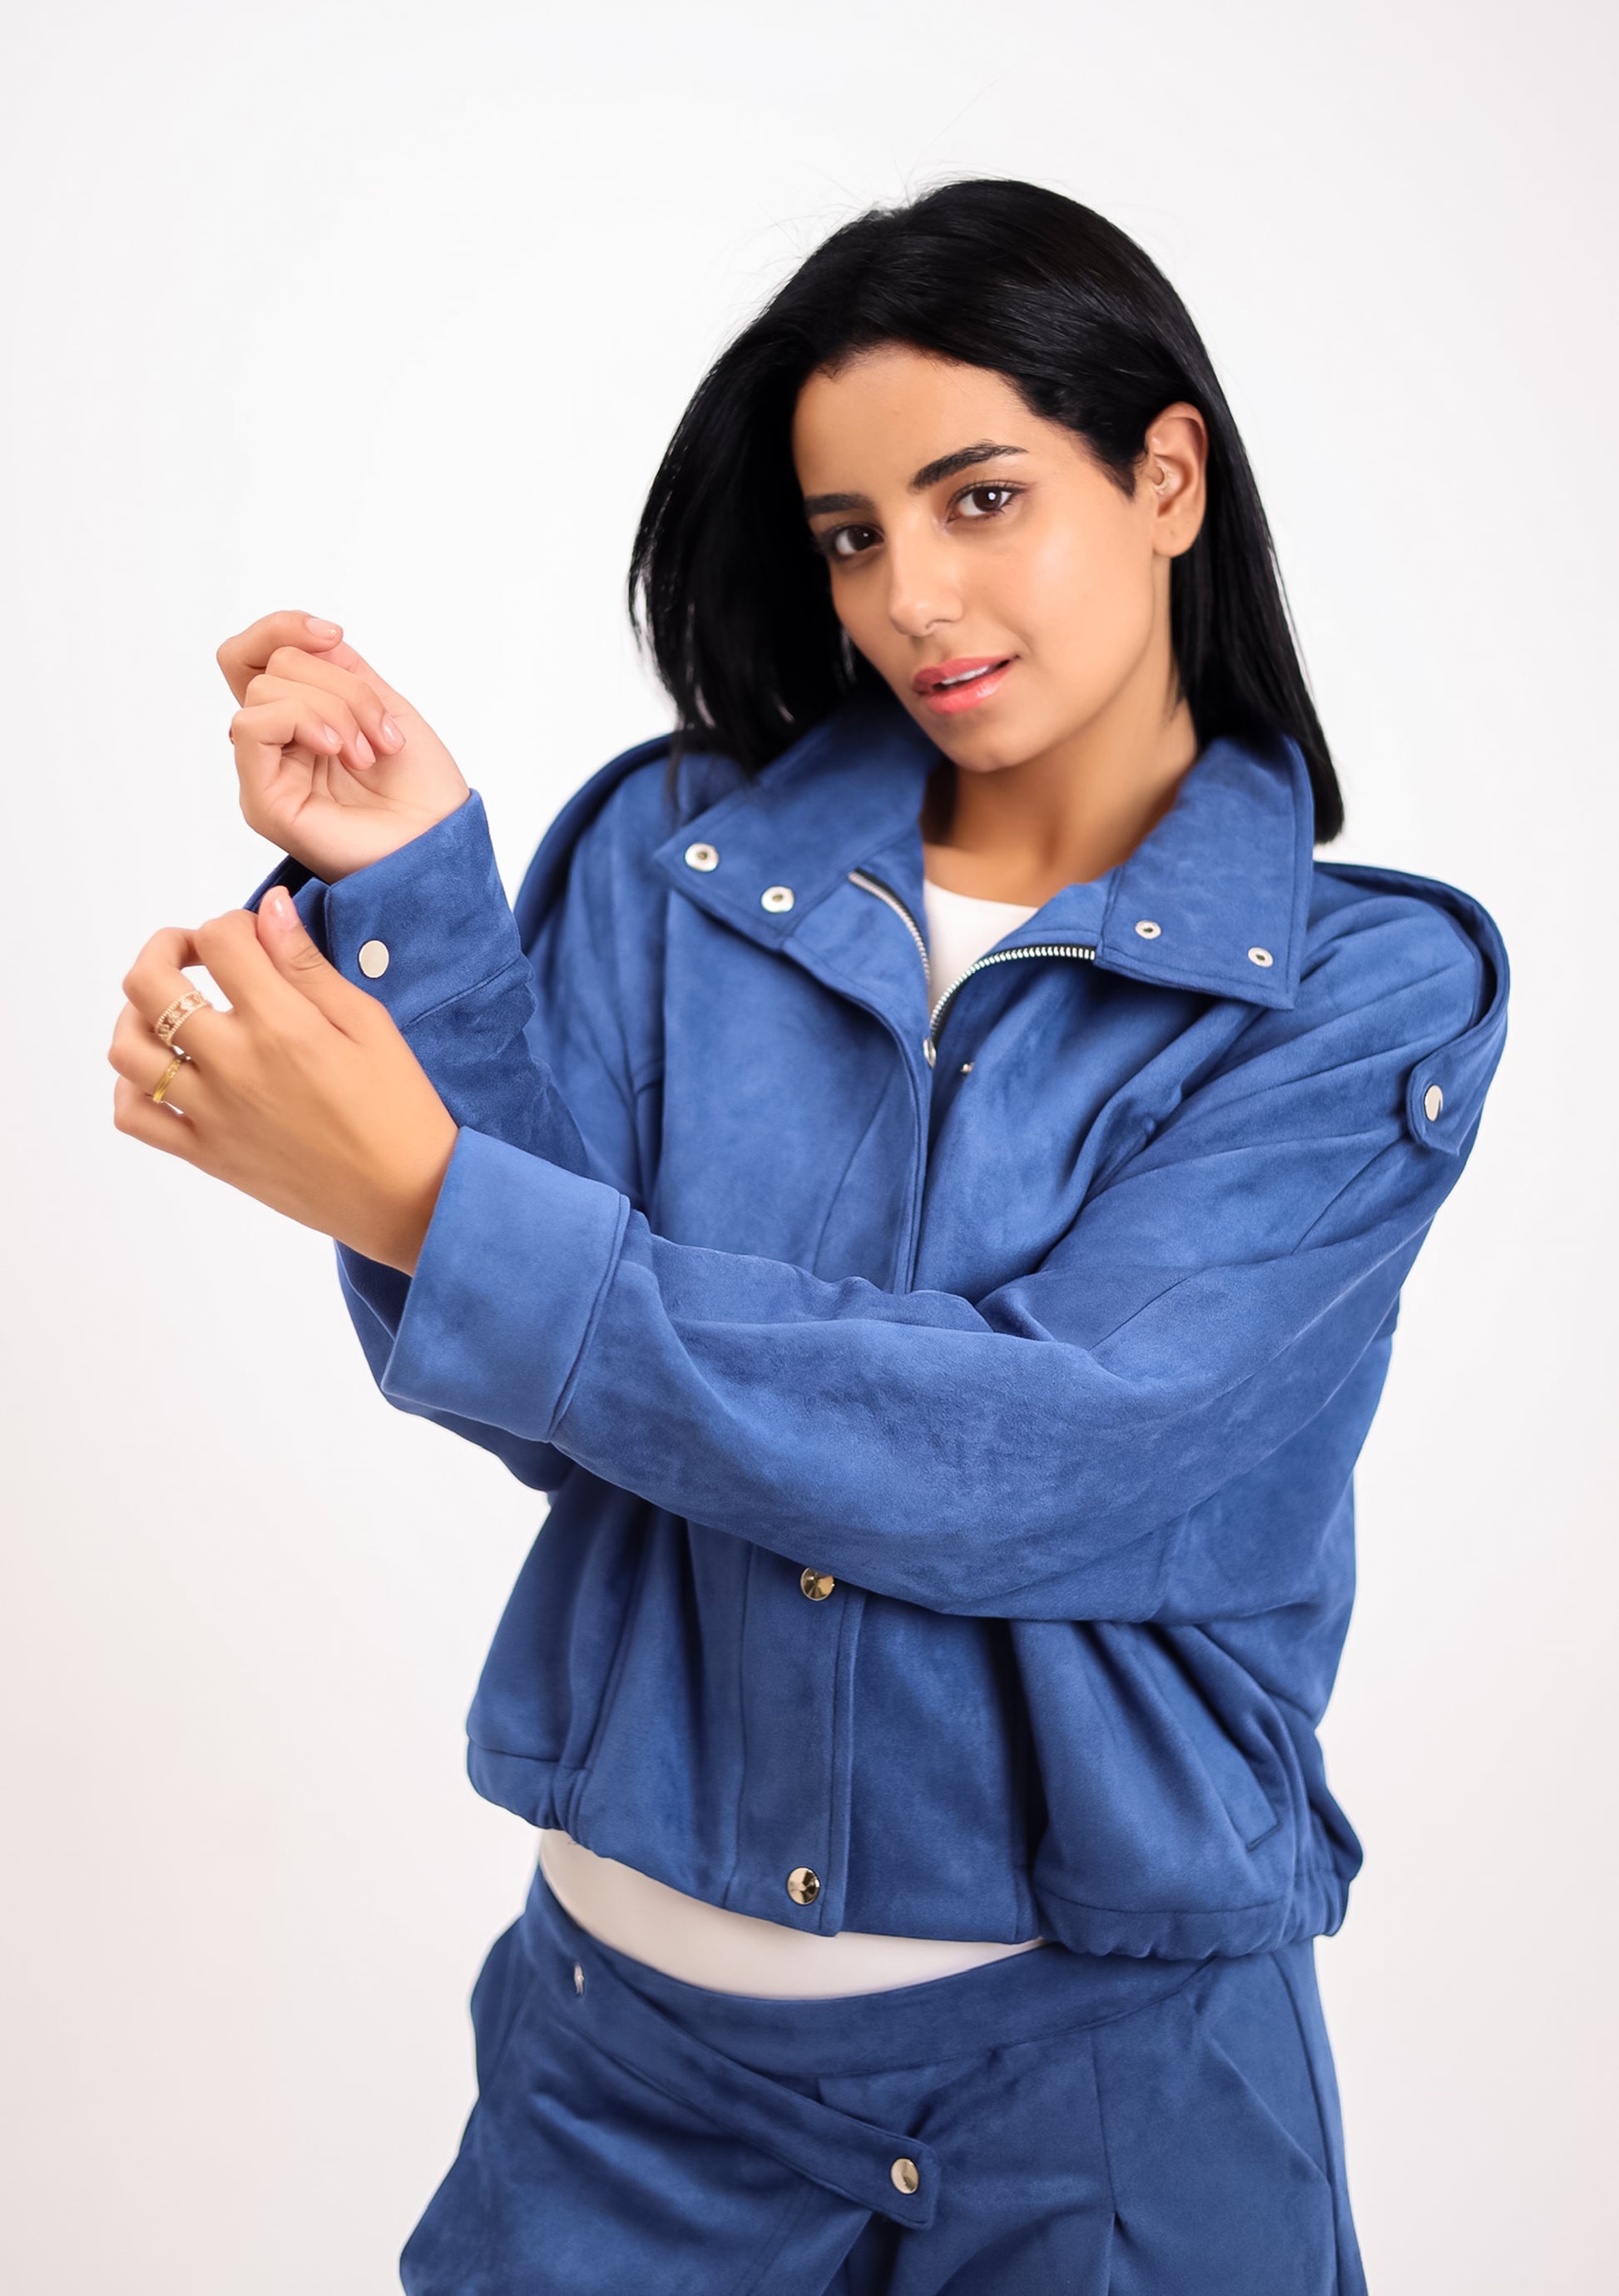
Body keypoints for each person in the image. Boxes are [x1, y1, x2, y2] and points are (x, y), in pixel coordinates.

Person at [109, 178, 1508, 2294]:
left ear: (1165, 477)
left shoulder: (1362, 996)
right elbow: (546, 1403)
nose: (910, 597)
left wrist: (428, 1203)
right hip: (614, 2098)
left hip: (1104, 2119)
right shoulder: (671, 853)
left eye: (979, 499)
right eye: (852, 535)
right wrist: (410, 898)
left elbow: (1042, 1448)